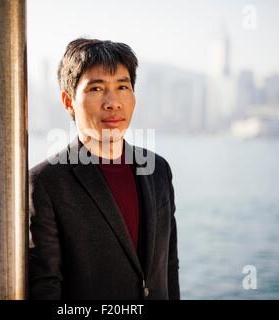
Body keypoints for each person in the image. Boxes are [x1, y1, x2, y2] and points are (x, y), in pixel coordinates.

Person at [28, 38, 180, 300]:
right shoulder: (46, 182)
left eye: (123, 86)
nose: (113, 102)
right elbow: (45, 285)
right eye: (97, 89)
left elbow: (169, 266)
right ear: (68, 101)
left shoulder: (158, 170)